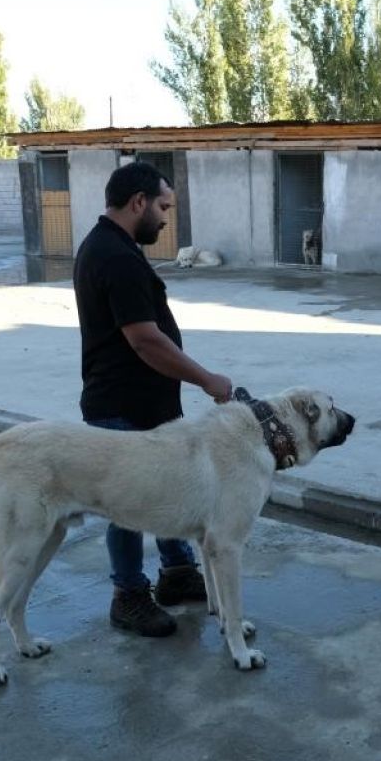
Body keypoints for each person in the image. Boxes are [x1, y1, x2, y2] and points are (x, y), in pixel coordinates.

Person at [73, 161, 234, 637]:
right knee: (126, 506)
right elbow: (145, 340)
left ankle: (178, 574)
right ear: (138, 201)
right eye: (163, 206)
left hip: (144, 405)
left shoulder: (109, 245)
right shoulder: (116, 256)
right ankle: (128, 595)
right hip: (121, 408)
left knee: (167, 490)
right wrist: (206, 379)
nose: (166, 219)